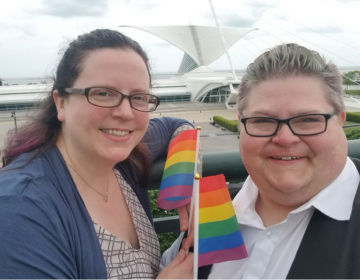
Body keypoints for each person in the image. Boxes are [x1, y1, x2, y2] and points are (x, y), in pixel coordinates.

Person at [0, 29, 194, 279]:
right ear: (61, 103)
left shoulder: (126, 158)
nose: (125, 113)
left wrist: (184, 172)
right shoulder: (21, 208)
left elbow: (176, 125)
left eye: (138, 97)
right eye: (103, 93)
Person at [161, 43, 360, 279]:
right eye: (263, 121)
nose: (285, 138)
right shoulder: (211, 211)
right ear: (241, 124)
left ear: (340, 119)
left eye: (307, 119)